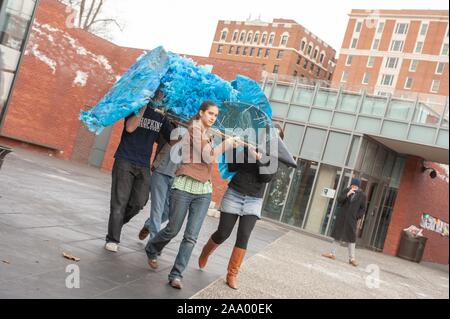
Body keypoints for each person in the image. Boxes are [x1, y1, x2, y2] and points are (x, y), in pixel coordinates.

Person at [145, 101, 238, 289]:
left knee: (191, 237)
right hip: (184, 185)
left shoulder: (208, 134)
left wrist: (226, 143)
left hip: (203, 191)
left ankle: (176, 274)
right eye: (210, 113)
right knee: (173, 229)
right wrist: (226, 144)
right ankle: (152, 247)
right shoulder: (194, 129)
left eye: (215, 115)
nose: (213, 117)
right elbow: (208, 157)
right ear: (201, 113)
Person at [197, 124, 283, 290]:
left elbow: (266, 177)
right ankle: (205, 252)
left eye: (276, 137)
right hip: (235, 193)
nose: (272, 139)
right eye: (270, 135)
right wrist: (245, 152)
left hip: (254, 201)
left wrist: (258, 158)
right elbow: (231, 166)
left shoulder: (274, 157)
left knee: (244, 235)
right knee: (223, 233)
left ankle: (232, 274)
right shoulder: (248, 145)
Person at [105, 91, 173, 252]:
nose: (161, 94)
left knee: (139, 202)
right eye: (159, 91)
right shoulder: (135, 105)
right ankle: (113, 238)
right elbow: (130, 128)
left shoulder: (162, 113)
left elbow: (173, 139)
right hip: (125, 159)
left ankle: (117, 222)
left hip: (143, 163)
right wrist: (143, 105)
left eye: (164, 92)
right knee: (119, 201)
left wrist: (186, 124)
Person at [138, 133, 179, 241]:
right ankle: (153, 242)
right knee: (157, 207)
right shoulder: (173, 123)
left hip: (179, 176)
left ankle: (148, 225)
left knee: (169, 211)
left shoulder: (202, 133)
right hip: (161, 170)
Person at [322, 178, 367, 266]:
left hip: (352, 220)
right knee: (338, 236)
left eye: (355, 186)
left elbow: (363, 209)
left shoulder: (362, 195)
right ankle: (332, 254)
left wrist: (356, 217)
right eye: (352, 185)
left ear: (358, 186)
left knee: (351, 238)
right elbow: (339, 200)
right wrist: (347, 194)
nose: (353, 187)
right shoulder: (346, 190)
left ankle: (352, 259)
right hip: (342, 218)